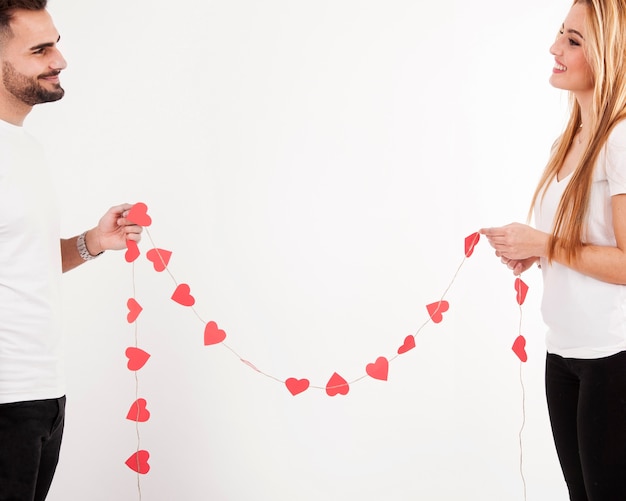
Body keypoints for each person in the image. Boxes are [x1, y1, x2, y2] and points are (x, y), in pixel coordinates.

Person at [481, 0, 626, 499]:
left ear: (610, 54)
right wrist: (535, 253)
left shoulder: (621, 139)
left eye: (573, 40)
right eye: (560, 33)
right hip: (562, 354)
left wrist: (544, 243)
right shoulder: (566, 142)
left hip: (613, 359)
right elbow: (577, 246)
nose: (554, 48)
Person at [0, 1, 142, 500]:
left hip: (42, 394)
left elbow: (22, 260)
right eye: (40, 49)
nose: (60, 60)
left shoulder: (24, 148)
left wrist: (93, 243)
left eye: (55, 42)